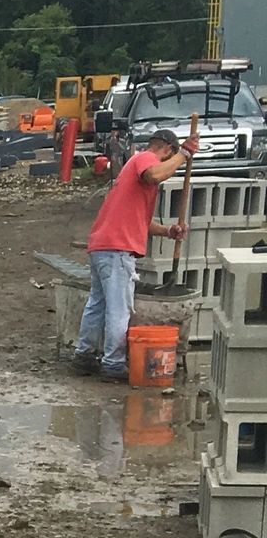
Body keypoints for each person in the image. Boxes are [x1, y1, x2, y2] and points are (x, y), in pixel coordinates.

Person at [75, 126, 186, 378]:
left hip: (103, 245)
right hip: (117, 249)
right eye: (172, 157)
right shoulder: (146, 159)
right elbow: (154, 175)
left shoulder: (131, 174)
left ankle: (84, 355)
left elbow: (140, 223)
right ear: (167, 149)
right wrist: (185, 155)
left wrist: (168, 230)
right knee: (119, 308)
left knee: (98, 303)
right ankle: (113, 363)